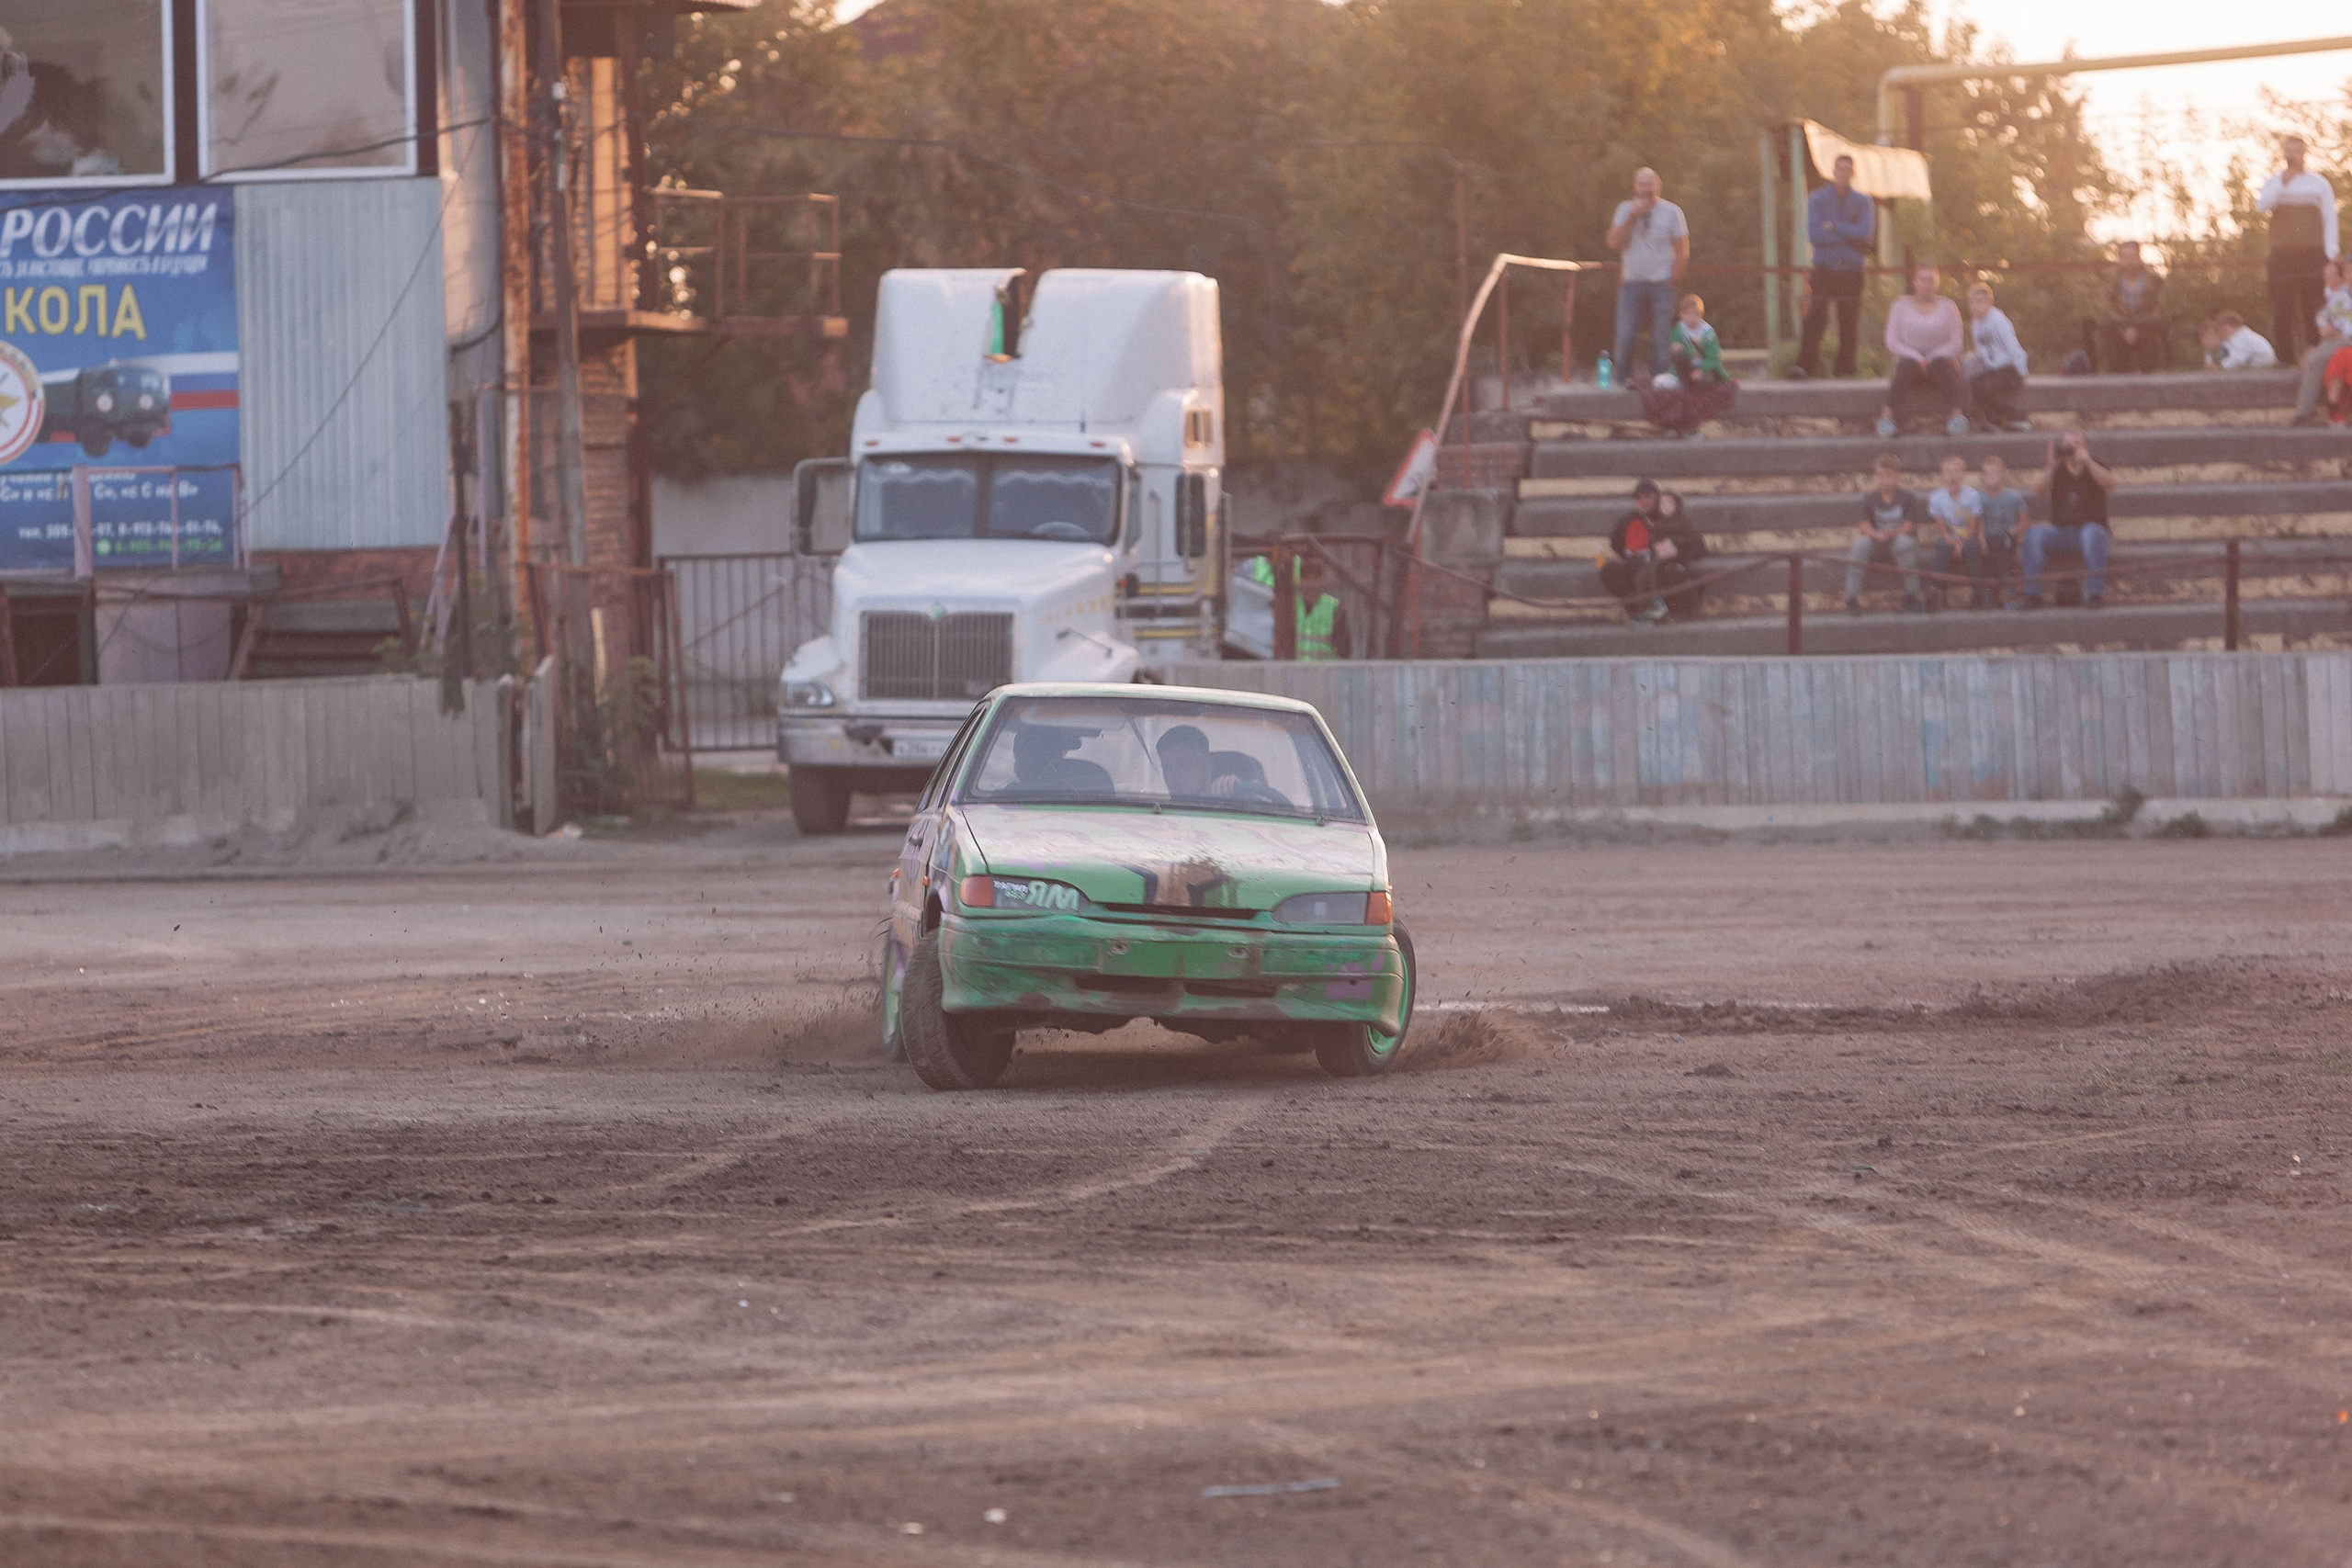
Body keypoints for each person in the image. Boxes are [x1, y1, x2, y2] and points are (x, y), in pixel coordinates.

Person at [1792, 152, 1874, 380]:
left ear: (1853, 173)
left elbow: (1865, 234)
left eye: (1848, 170)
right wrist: (1849, 234)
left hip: (1852, 270)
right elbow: (1816, 235)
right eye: (1840, 169)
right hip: (1825, 268)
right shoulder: (1817, 199)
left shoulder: (1863, 201)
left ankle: (1845, 368)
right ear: (1833, 171)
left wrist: (1834, 226)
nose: (1843, 174)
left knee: (1849, 320)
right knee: (1816, 315)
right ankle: (1804, 366)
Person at [2257, 136, 2338, 364]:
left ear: (2304, 152)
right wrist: (2283, 182)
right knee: (2282, 307)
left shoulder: (2319, 183)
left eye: (2297, 150)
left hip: (2312, 253)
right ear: (2283, 153)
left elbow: (2329, 218)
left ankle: (2314, 355)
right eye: (2289, 150)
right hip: (2282, 254)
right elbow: (2262, 206)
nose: (2293, 155)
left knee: (2313, 306)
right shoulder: (2274, 181)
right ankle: (2284, 358)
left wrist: (2331, 254)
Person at [1606, 167, 1690, 379]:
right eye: (1642, 184)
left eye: (1650, 183)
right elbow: (1613, 243)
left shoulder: (1672, 212)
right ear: (1635, 187)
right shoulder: (1625, 209)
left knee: (1661, 339)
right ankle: (1622, 384)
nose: (1646, 189)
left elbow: (1682, 248)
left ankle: (1660, 385)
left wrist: (1674, 277)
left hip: (1662, 283)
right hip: (1632, 283)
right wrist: (1633, 216)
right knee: (1625, 336)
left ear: (1658, 185)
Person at [2022, 432, 2117, 608]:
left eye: (2076, 443)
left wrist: (2087, 461)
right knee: (2033, 535)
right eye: (2067, 443)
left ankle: (2096, 594)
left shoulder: (2095, 464)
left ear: (2086, 447)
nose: (2071, 447)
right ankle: (2032, 595)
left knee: (2090, 533)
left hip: (2094, 531)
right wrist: (2050, 466)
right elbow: (2038, 491)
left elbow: (2110, 484)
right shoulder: (2058, 468)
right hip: (2062, 532)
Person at [1878, 265, 1970, 439]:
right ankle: (1886, 417)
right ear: (1915, 282)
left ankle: (1957, 417)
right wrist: (1918, 358)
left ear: (1936, 283)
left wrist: (1932, 357)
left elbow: (1956, 341)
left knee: (1942, 363)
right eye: (1923, 280)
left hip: (1940, 369)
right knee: (1907, 364)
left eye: (1931, 280)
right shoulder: (1900, 306)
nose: (1927, 285)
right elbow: (1892, 341)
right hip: (1911, 369)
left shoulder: (1948, 306)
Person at [1636, 293, 1738, 437]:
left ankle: (1690, 388)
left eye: (1696, 315)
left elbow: (1713, 358)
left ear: (1701, 314)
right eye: (1688, 315)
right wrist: (1675, 347)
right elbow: (1674, 344)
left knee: (1706, 381)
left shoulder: (1707, 333)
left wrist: (1702, 369)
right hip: (1686, 369)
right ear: (1682, 315)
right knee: (1670, 369)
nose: (1692, 318)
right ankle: (1683, 382)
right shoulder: (1679, 329)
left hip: (1704, 369)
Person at [1846, 453, 1928, 615]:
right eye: (1880, 475)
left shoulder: (1907, 497)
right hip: (1879, 540)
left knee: (1903, 543)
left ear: (1897, 477)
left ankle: (1912, 596)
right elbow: (1864, 526)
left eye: (1888, 476)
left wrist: (1894, 533)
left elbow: (1909, 526)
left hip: (1901, 540)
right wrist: (1877, 535)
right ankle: (1852, 598)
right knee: (1859, 545)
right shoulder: (1870, 498)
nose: (1883, 480)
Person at [2081, 242, 2170, 373]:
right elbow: (2105, 307)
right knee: (2108, 335)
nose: (2129, 261)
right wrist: (2123, 329)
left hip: (2145, 326)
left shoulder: (2154, 279)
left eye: (2132, 257)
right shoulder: (2109, 279)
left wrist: (2137, 328)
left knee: (2152, 336)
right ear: (2120, 259)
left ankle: (2148, 379)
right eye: (2125, 257)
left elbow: (2159, 308)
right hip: (2118, 327)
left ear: (2139, 258)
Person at [1242, 552, 1349, 660]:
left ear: (1324, 579)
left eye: (1315, 578)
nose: (1311, 584)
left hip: (1326, 673)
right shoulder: (1289, 605)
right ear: (1300, 580)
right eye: (1307, 579)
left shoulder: (1334, 608)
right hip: (1295, 671)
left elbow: (1344, 650)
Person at [1599, 479, 1671, 622]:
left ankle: (1656, 609)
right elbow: (1615, 542)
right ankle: (1637, 610)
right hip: (1634, 566)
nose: (1644, 501)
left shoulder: (1668, 518)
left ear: (1657, 497)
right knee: (1608, 569)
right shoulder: (1628, 520)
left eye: (1648, 497)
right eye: (1639, 498)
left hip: (1660, 568)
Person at [2290, 259, 2352, 426]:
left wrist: (2340, 332)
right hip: (2337, 338)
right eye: (2347, 271)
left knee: (2316, 358)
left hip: (2345, 339)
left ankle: (2304, 412)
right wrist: (2325, 327)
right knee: (2310, 356)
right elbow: (2323, 315)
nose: (2349, 275)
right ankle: (2307, 409)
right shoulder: (2341, 294)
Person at [1964, 280, 2030, 432]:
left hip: (2010, 369)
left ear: (1989, 303)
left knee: (1988, 387)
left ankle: (2018, 417)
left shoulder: (1999, 322)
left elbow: (2014, 348)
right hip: (1993, 370)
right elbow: (1980, 351)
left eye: (1979, 301)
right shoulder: (1975, 324)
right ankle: (1993, 421)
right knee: (1974, 385)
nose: (1974, 306)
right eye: (1971, 302)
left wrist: (2022, 372)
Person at [1925, 455, 1986, 611]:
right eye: (1948, 472)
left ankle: (1978, 593)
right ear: (1943, 476)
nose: (1952, 476)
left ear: (1963, 475)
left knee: (1973, 546)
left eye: (1956, 472)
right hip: (1949, 537)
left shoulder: (1972, 495)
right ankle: (1934, 591)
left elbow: (1973, 526)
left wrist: (1961, 542)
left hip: (1968, 536)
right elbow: (1942, 529)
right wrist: (1953, 542)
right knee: (1942, 545)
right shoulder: (1937, 497)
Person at [1975, 455, 2026, 609]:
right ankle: (2008, 590)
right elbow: (1979, 523)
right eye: (1987, 473)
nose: (1991, 477)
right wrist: (1981, 540)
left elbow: (2025, 521)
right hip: (1989, 540)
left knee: (1998, 542)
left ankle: (1992, 595)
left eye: (1995, 473)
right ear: (1983, 477)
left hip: (2009, 538)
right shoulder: (1979, 499)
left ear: (2005, 475)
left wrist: (2016, 529)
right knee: (1992, 547)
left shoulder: (2014, 497)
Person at [2200, 311, 2278, 371]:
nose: (2222, 333)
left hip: (2263, 368)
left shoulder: (2240, 338)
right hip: (2262, 366)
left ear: (2227, 327)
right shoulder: (2244, 334)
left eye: (2222, 329)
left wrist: (2219, 367)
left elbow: (2237, 361)